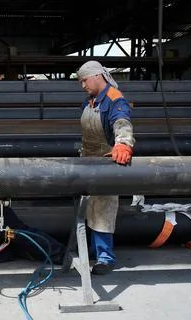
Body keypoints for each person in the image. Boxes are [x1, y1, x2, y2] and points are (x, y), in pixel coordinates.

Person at [76, 60, 135, 275]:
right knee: (88, 208)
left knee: (103, 210)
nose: (83, 85)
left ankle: (105, 258)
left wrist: (123, 143)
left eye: (84, 81)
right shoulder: (89, 102)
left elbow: (122, 122)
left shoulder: (114, 99)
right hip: (87, 161)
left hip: (106, 162)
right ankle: (91, 250)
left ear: (97, 76)